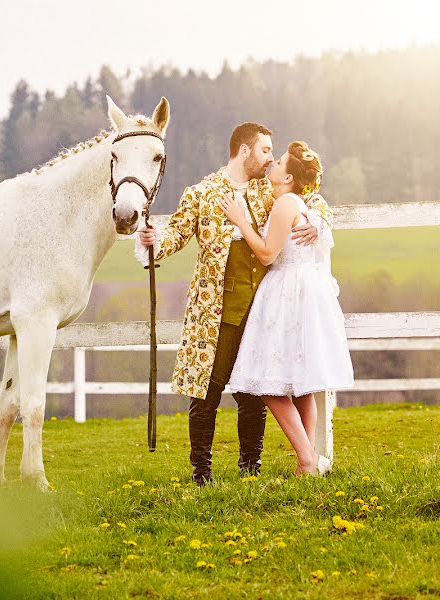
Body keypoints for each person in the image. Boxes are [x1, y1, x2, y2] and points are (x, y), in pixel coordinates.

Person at [137, 122, 333, 485]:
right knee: (206, 392)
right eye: (264, 150)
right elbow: (177, 234)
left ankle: (250, 469)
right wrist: (153, 240)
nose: (271, 158)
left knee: (254, 392)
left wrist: (319, 223)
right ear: (244, 150)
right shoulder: (202, 192)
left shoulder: (269, 189)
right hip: (214, 311)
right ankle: (201, 474)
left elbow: (311, 197)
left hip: (261, 307)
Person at [219, 141, 353, 475]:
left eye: (278, 162)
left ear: (289, 177)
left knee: (267, 384)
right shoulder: (300, 203)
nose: (272, 164)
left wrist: (239, 219)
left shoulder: (285, 204)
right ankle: (310, 463)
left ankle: (307, 457)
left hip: (287, 293)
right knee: (302, 386)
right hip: (304, 291)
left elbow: (267, 254)